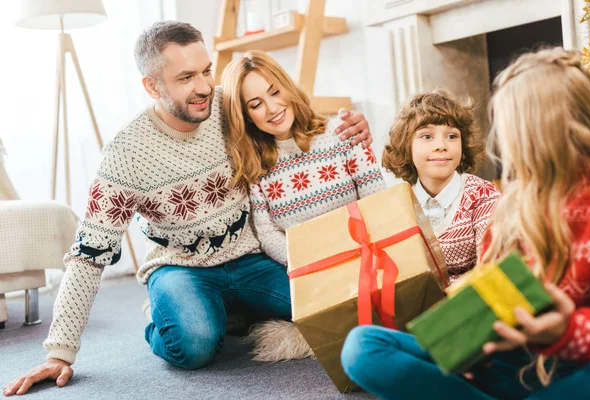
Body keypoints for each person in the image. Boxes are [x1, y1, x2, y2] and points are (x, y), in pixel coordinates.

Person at [3, 21, 371, 396]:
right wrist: (59, 353)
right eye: (185, 78)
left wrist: (347, 125)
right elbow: (89, 252)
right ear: (152, 85)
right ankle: (163, 317)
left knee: (331, 307)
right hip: (181, 268)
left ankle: (229, 313)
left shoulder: (228, 105)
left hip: (251, 258)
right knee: (193, 346)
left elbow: (284, 112)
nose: (203, 87)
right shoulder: (126, 154)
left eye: (207, 71)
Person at [340, 47, 590, 399]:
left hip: (575, 365)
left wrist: (567, 332)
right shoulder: (512, 206)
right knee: (363, 347)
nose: (503, 142)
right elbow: (489, 296)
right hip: (504, 361)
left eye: (509, 128)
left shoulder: (493, 199)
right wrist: (466, 339)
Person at [218, 50, 387, 361]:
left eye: (274, 92)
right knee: (293, 299)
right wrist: (305, 264)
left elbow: (376, 198)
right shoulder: (256, 166)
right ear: (245, 115)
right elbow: (267, 233)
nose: (272, 108)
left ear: (287, 87)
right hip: (306, 266)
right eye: (256, 104)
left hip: (361, 253)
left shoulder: (342, 132)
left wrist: (361, 254)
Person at [381, 89, 499, 283]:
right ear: (406, 145)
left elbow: (491, 269)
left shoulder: (483, 196)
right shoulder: (398, 204)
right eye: (427, 136)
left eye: (452, 136)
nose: (441, 145)